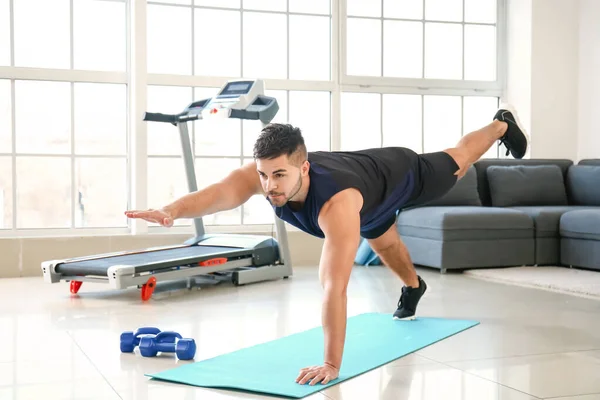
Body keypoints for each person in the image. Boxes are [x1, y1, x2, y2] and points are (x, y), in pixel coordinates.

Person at [125, 104, 528, 386]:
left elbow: (334, 288)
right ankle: (414, 287)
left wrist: (331, 363)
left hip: (399, 175)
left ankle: (499, 126)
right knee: (387, 247)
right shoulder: (266, 175)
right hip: (369, 203)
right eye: (264, 175)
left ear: (304, 167)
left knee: (457, 163)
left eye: (279, 175)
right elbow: (220, 193)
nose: (270, 186)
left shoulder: (336, 205)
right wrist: (170, 210)